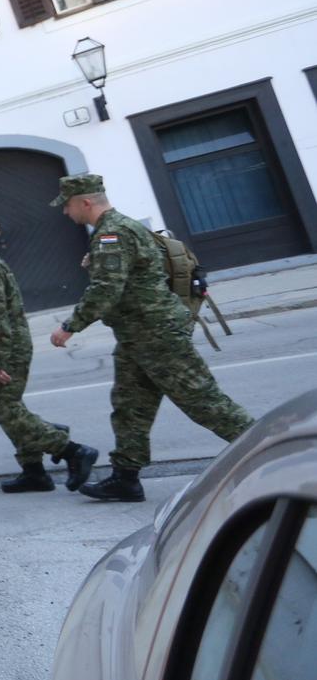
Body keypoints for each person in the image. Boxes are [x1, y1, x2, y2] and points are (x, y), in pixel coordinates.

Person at [48, 173, 255, 502]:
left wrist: (70, 326)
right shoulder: (121, 228)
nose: (65, 211)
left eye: (67, 205)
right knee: (129, 407)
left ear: (85, 202)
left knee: (204, 402)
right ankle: (125, 479)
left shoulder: (112, 234)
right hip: (136, 335)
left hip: (157, 334)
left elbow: (107, 290)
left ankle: (275, 450)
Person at [0, 222, 99, 493]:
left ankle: (72, 451)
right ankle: (34, 471)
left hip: (6, 349)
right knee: (9, 408)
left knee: (5, 410)